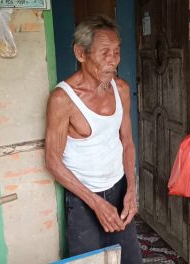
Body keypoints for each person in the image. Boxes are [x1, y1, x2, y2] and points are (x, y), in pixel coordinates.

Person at [45, 15, 142, 263]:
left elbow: (127, 142)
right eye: (105, 53)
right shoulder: (63, 99)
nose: (113, 61)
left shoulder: (121, 89)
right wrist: (96, 204)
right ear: (81, 53)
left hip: (119, 187)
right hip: (82, 198)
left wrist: (132, 188)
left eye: (117, 52)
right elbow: (53, 161)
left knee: (129, 259)